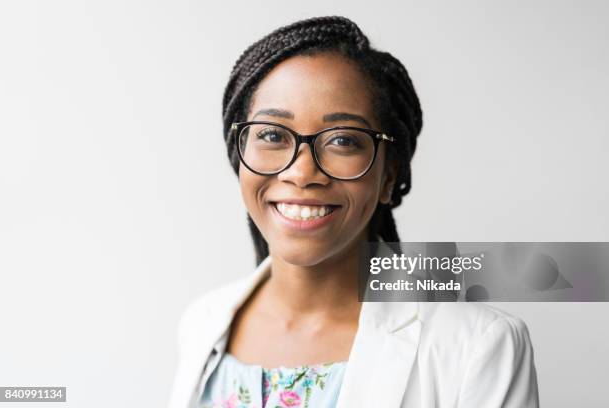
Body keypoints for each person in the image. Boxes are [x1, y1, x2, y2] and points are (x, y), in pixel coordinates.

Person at [168, 16, 539, 408]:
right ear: (239, 155)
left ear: (388, 175)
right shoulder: (202, 322)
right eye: (272, 135)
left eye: (343, 140)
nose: (302, 172)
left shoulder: (480, 346)